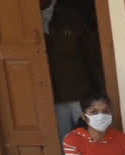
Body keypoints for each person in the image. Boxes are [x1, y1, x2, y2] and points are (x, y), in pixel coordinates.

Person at [43, 0, 104, 142]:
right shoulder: (23, 18)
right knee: (63, 143)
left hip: (79, 90)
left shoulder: (69, 12)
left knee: (90, 137)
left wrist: (98, 87)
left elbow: (91, 53)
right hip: (48, 93)